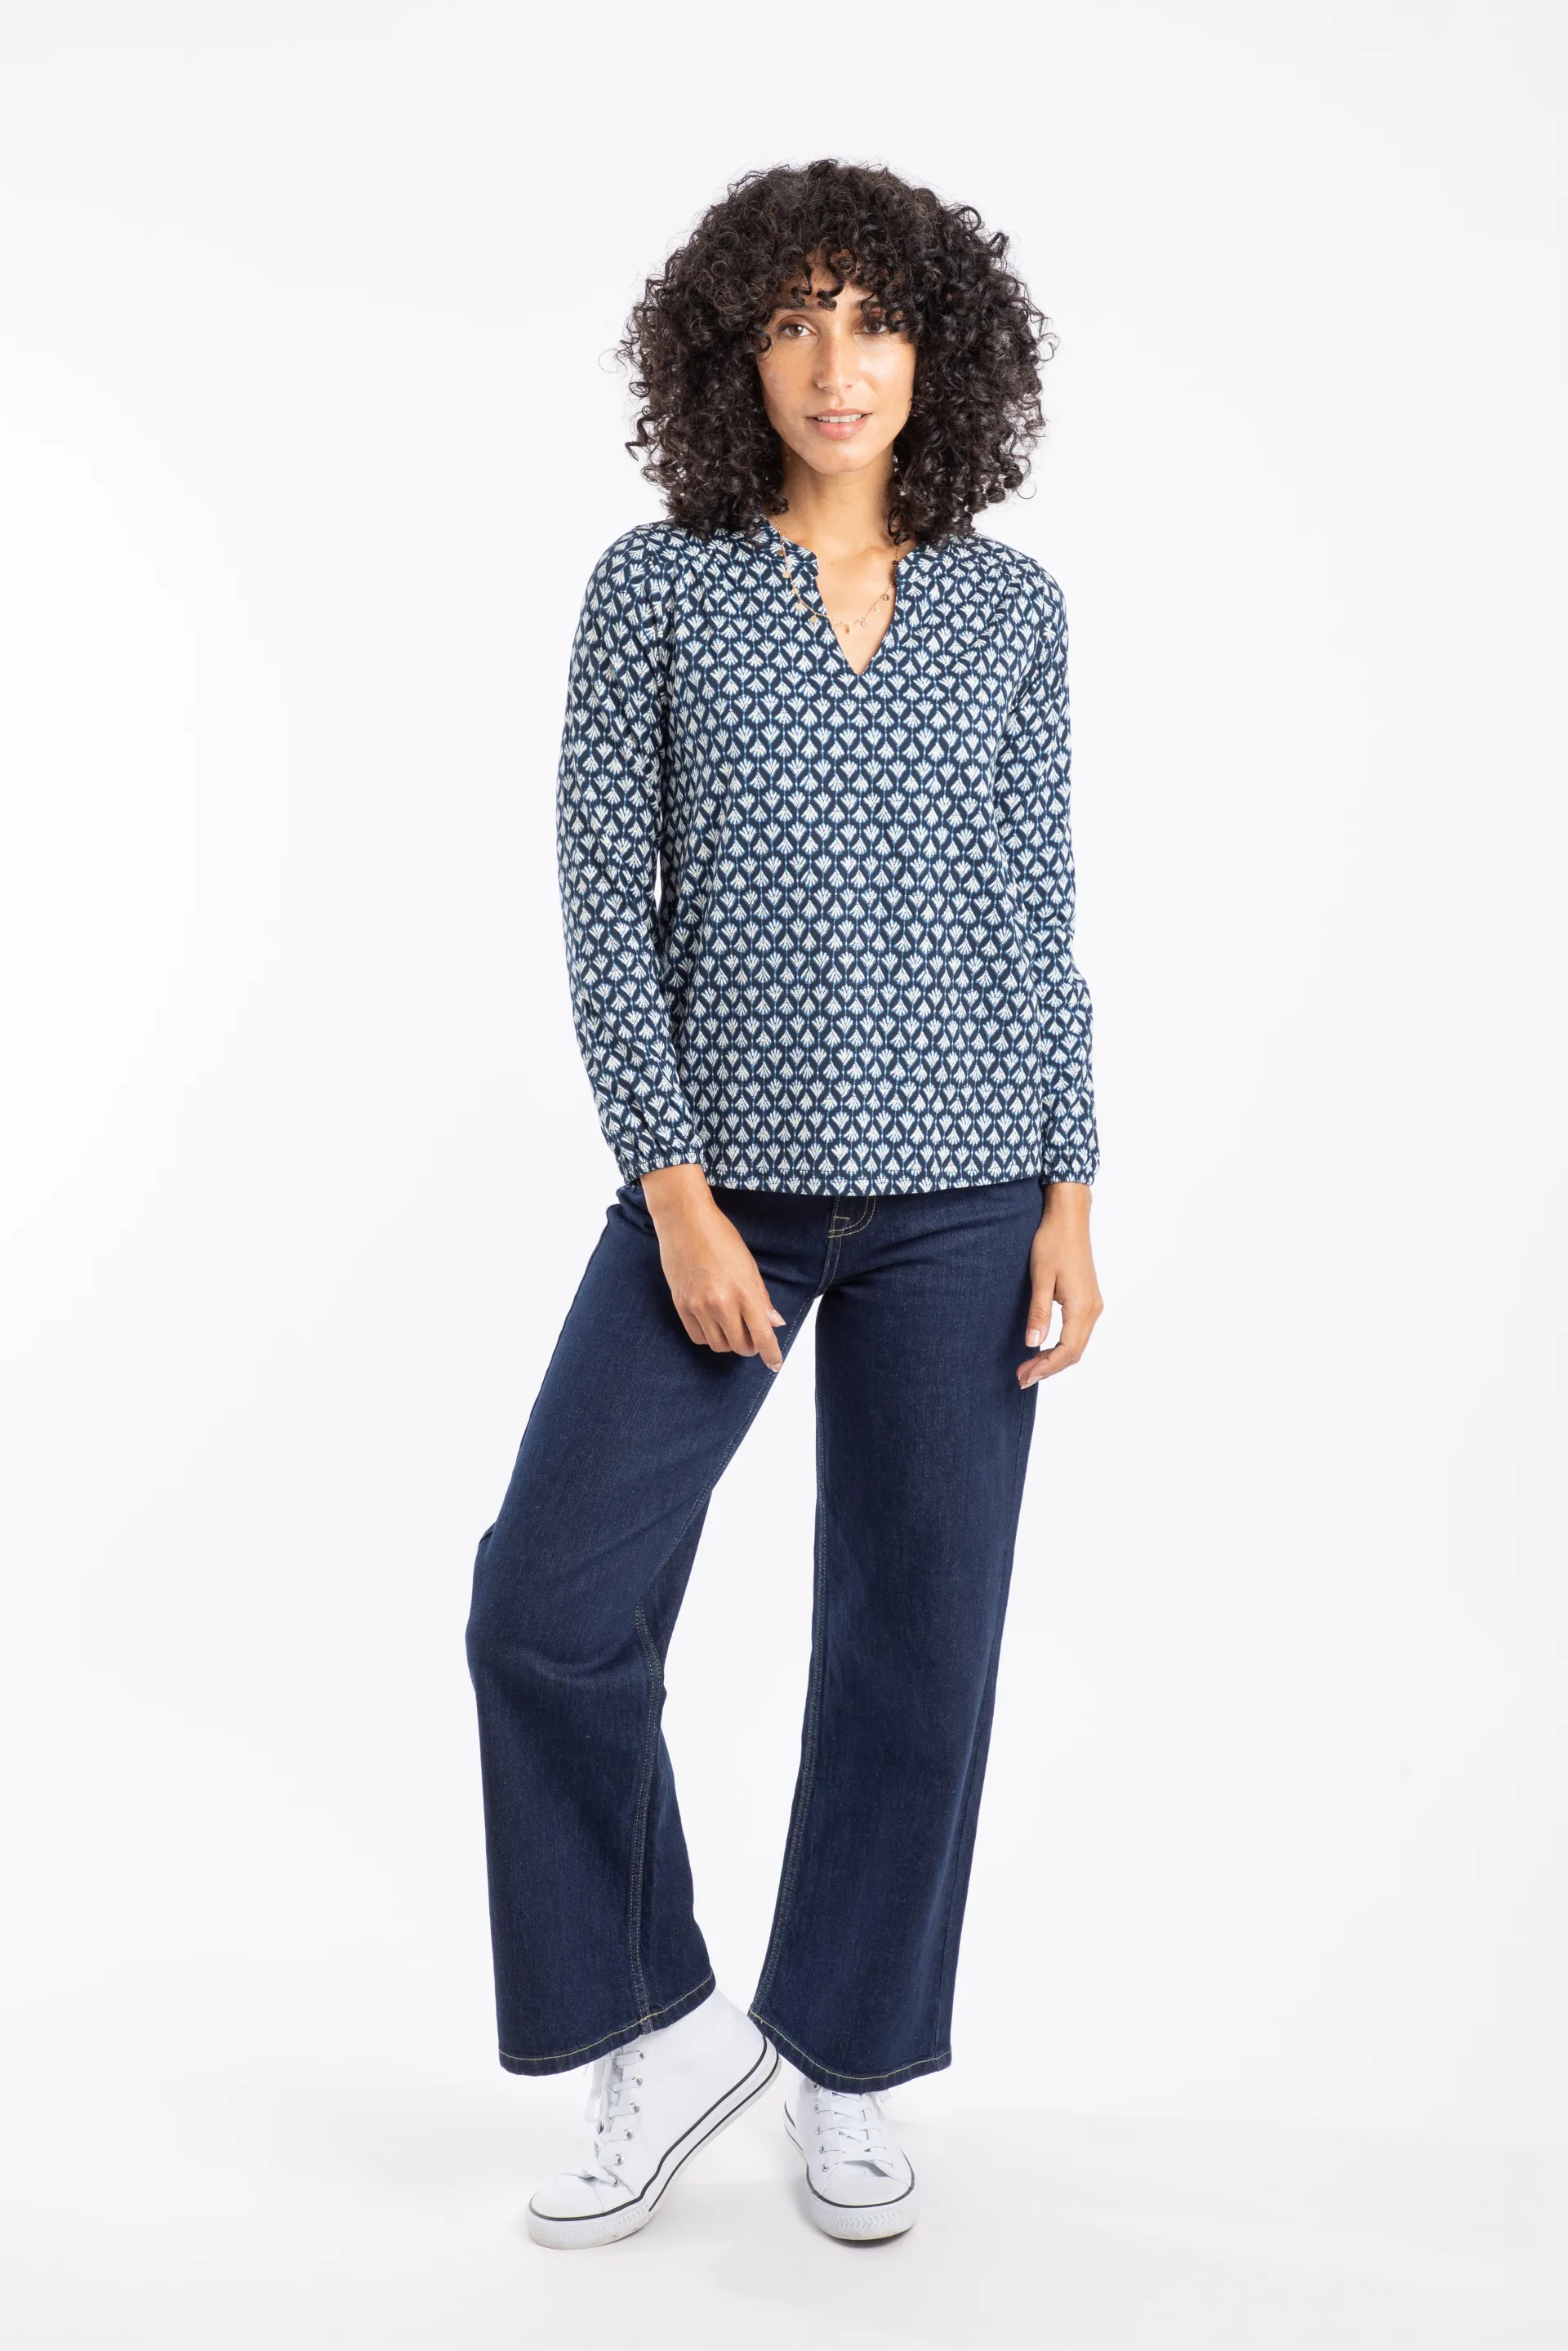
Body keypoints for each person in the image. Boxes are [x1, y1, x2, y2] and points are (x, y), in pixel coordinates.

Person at [465, 157, 1102, 2251]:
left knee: (920, 1642)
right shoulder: (655, 585)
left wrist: (1070, 1181)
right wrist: (672, 1187)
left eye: (879, 319)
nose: (841, 362)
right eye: (797, 319)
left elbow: (1038, 910)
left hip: (969, 1186)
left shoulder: (1011, 606)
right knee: (546, 1606)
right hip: (717, 1187)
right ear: (732, 352)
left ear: (943, 352)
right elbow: (603, 901)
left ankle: (845, 2045)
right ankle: (657, 2022)